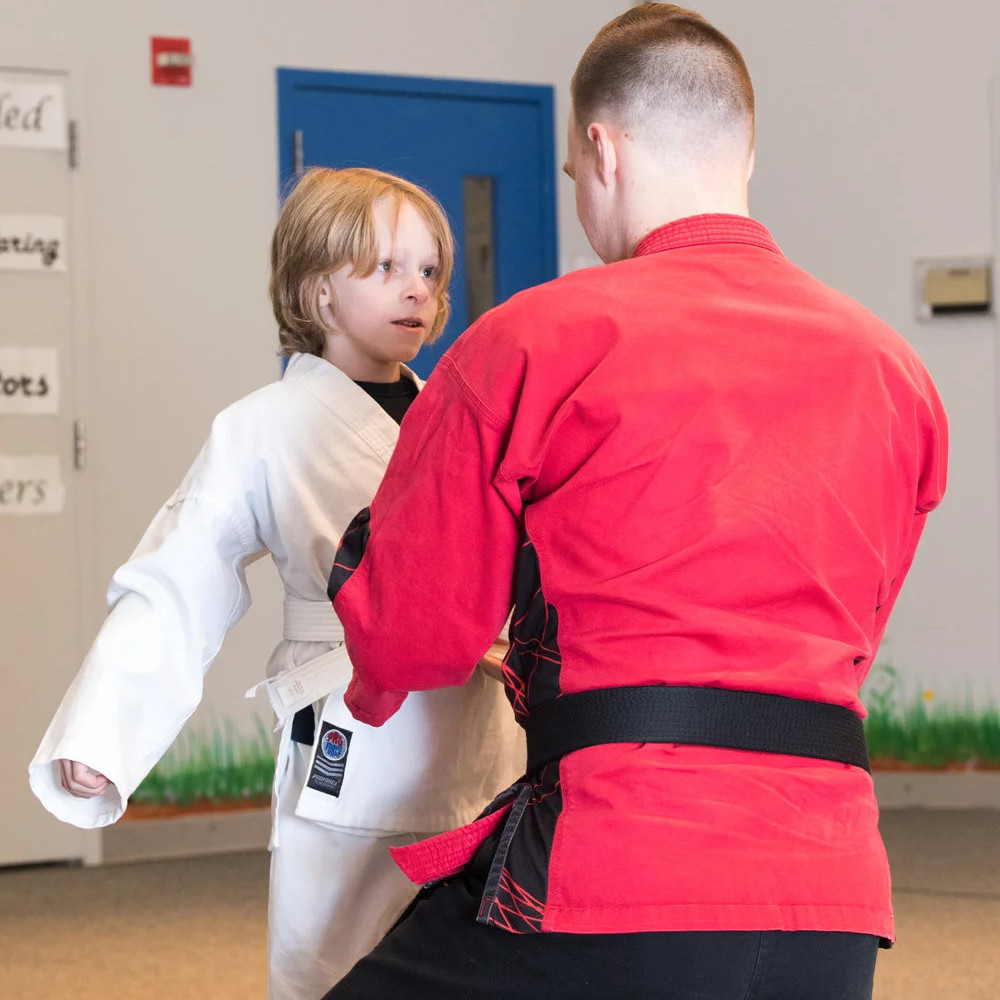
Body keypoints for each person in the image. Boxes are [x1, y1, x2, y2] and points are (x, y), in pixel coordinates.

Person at [321, 6, 948, 1000]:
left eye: (573, 179)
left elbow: (410, 641)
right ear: (744, 149)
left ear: (600, 150)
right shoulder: (894, 371)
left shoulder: (531, 341)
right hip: (829, 893)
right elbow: (848, 630)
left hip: (610, 870)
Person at [28, 167, 524, 1000]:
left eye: (430, 270)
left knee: (481, 962)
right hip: (356, 737)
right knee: (337, 959)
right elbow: (178, 580)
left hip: (479, 730)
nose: (417, 291)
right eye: (385, 268)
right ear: (316, 289)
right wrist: (102, 734)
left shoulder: (459, 411)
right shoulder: (261, 428)